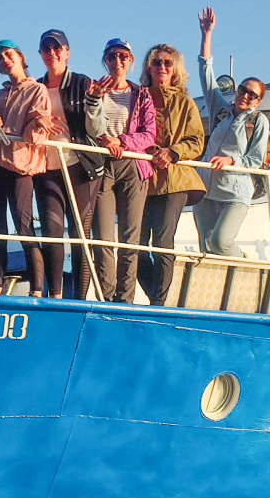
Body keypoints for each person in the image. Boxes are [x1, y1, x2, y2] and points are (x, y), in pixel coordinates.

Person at [35, 30, 107, 300]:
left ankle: (79, 299)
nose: (51, 53)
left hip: (81, 167)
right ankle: (54, 296)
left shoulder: (82, 83)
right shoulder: (35, 87)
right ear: (40, 54)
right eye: (46, 49)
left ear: (67, 52)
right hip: (46, 168)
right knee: (52, 232)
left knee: (80, 233)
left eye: (57, 48)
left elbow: (96, 129)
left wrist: (93, 101)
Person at [195, 6, 270, 257]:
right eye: (242, 90)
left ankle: (247, 270)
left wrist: (230, 160)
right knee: (207, 249)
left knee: (220, 242)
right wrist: (207, 35)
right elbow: (206, 76)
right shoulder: (221, 110)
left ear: (258, 101)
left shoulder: (258, 121)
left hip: (234, 193)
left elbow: (255, 160)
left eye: (252, 95)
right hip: (206, 190)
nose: (245, 96)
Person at [87, 38, 157, 303]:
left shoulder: (142, 94)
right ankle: (105, 297)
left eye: (123, 56)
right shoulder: (94, 89)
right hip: (101, 165)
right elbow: (87, 126)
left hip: (132, 165)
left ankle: (124, 300)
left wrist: (122, 142)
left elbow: (150, 134)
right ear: (105, 60)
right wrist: (105, 141)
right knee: (104, 237)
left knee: (130, 238)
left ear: (131, 61)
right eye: (112, 56)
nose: (117, 61)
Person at [137, 44, 205, 305]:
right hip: (143, 178)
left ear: (175, 69)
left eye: (167, 63)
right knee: (136, 244)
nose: (161, 68)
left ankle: (158, 303)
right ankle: (155, 296)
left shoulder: (185, 102)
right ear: (148, 67)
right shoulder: (139, 98)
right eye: (156, 63)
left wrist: (174, 152)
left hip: (176, 180)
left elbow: (197, 141)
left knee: (164, 239)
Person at [0, 41, 53, 296]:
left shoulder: (37, 90)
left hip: (21, 167)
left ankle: (37, 290)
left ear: (20, 56)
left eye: (7, 54)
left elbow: (38, 129)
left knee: (24, 228)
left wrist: (14, 131)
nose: (4, 59)